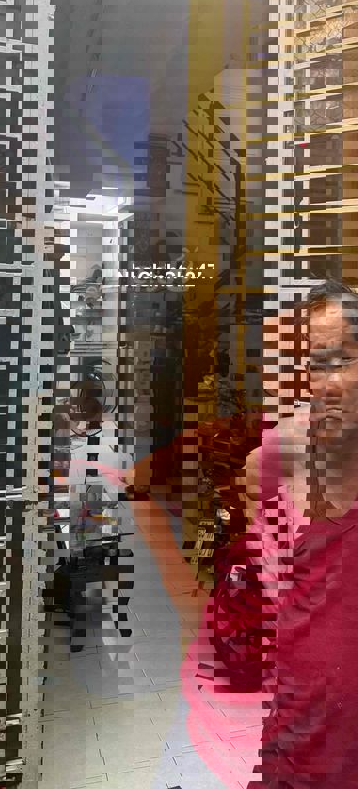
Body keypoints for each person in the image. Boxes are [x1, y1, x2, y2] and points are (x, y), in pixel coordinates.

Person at [191, 279, 358, 789]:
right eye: (316, 364)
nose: (327, 383)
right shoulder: (283, 455)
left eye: (342, 359)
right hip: (310, 721)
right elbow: (274, 580)